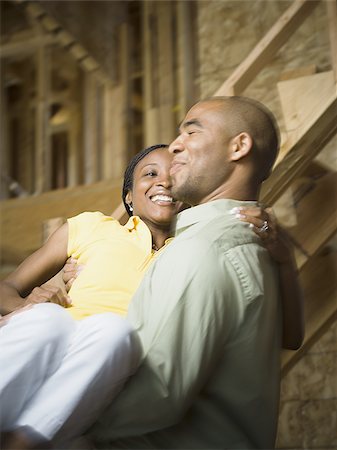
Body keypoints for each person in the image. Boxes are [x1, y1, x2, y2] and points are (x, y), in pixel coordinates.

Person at [0, 133, 301, 449]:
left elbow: (290, 337)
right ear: (129, 197)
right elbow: (7, 287)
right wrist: (27, 307)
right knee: (48, 320)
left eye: (174, 175)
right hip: (40, 348)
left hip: (99, 374)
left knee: (113, 331)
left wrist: (283, 257)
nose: (165, 183)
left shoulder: (196, 251)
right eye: (150, 174)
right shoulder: (91, 228)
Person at [86, 96, 293, 449]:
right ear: (129, 198)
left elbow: (158, 394)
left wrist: (59, 425)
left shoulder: (204, 250)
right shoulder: (251, 242)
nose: (176, 144)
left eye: (191, 132)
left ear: (239, 146)